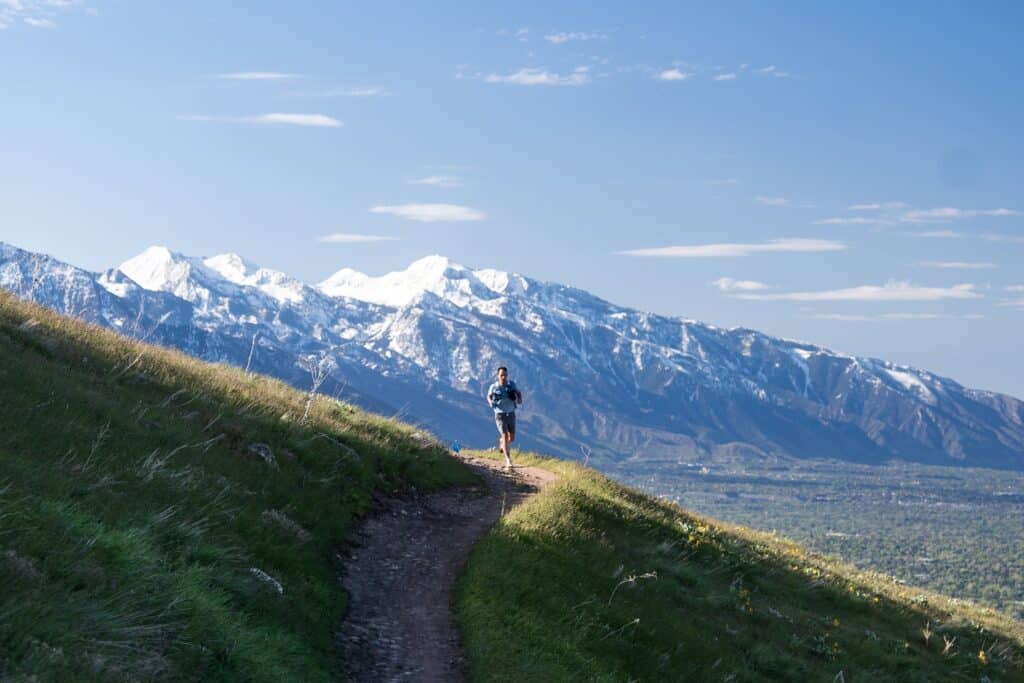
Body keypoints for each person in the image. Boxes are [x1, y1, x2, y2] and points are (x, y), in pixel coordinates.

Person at [486, 366, 522, 471]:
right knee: (506, 435)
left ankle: (502, 442)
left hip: (511, 413)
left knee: (512, 438)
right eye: (501, 375)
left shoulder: (511, 385)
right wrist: (490, 402)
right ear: (498, 376)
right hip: (500, 415)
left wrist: (519, 399)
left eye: (505, 375)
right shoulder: (494, 387)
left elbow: (519, 393)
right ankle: (508, 461)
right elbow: (488, 396)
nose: (503, 377)